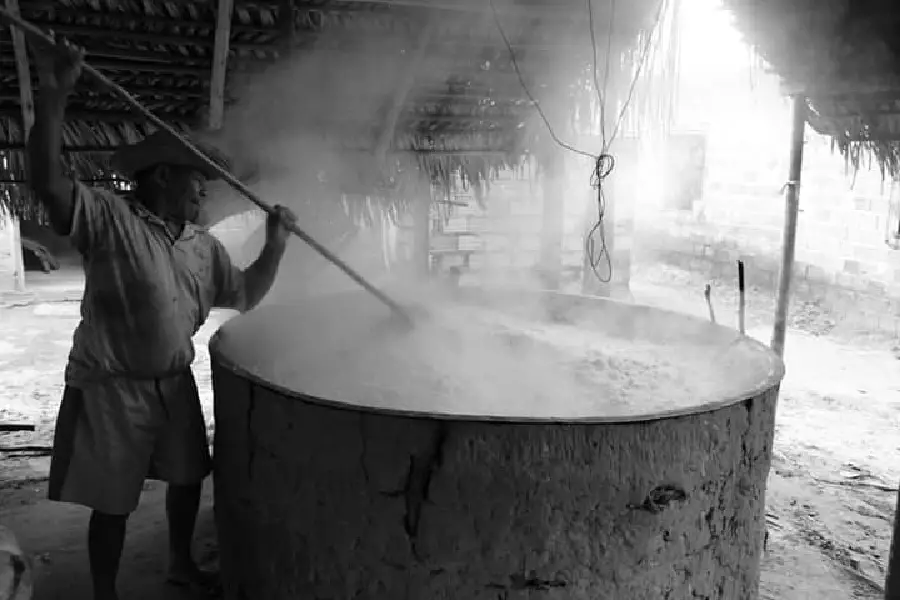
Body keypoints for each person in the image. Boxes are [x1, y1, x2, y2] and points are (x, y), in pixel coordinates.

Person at [26, 37, 297, 600]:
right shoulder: (110, 219)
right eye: (195, 178)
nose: (203, 189)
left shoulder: (201, 246)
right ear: (162, 177)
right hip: (112, 387)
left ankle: (179, 563)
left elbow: (244, 294)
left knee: (186, 476)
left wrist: (275, 246)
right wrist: (54, 99)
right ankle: (105, 592)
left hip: (173, 384)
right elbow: (49, 186)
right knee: (114, 501)